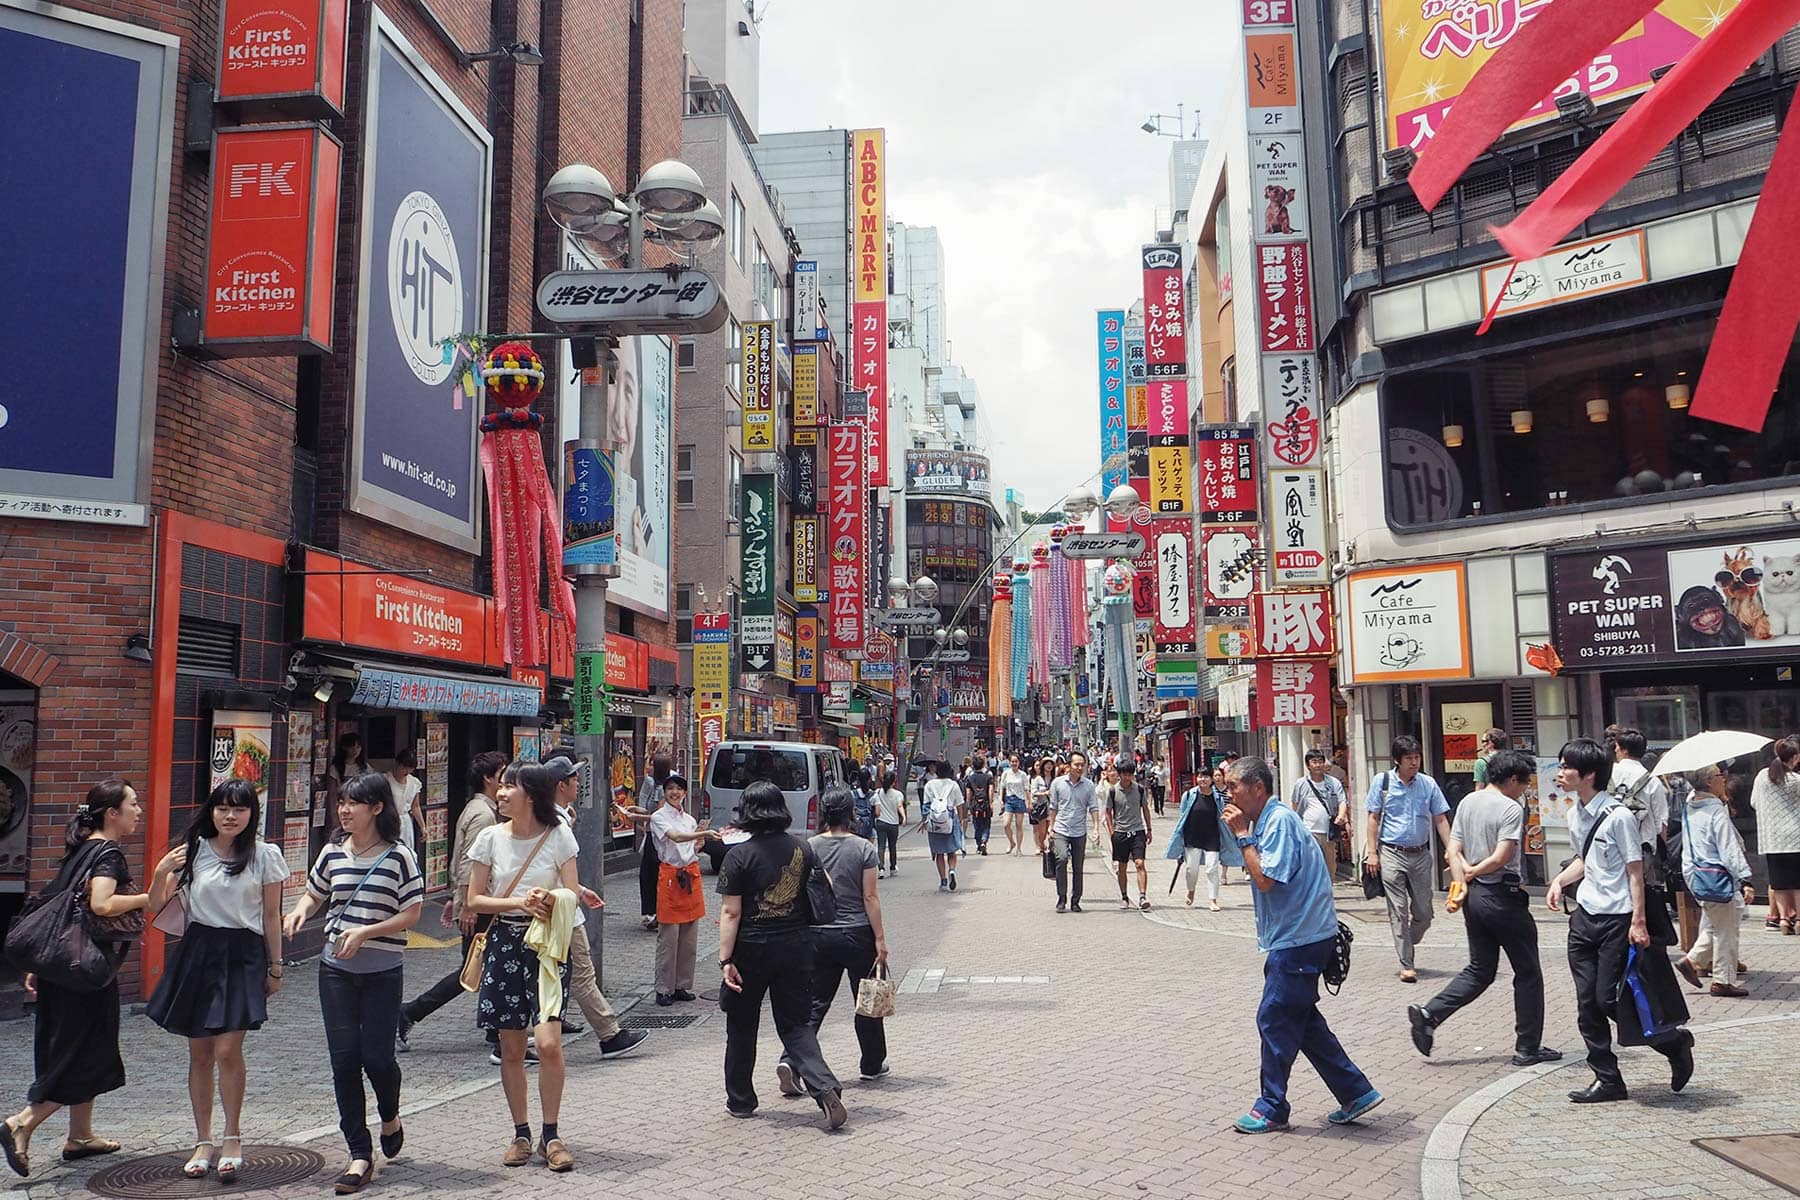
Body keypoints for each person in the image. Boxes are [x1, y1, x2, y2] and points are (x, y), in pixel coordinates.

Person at [3, 779, 180, 1178]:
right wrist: (149, 894)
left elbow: (56, 909)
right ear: (112, 813)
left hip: (62, 970)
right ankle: (22, 1122)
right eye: (133, 804)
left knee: (84, 1048)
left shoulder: (80, 849)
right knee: (83, 1053)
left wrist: (39, 963)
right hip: (85, 973)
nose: (139, 811)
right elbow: (101, 904)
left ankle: (80, 1137)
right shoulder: (108, 855)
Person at [1220, 758, 1383, 1134]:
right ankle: (1356, 1091)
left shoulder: (1277, 822)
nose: (1227, 793)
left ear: (1257, 788)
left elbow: (1265, 880)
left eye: (1233, 786)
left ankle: (1271, 1107)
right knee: (1303, 1020)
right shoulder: (1271, 820)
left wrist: (1243, 835)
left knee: (1274, 1018)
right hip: (1301, 934)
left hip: (1300, 938)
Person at [283, 773, 423, 1192]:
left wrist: (366, 932)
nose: (344, 810)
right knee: (344, 1062)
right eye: (342, 802)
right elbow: (315, 893)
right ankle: (359, 1153)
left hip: (382, 972)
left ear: (377, 807)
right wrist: (300, 911)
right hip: (336, 972)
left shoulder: (400, 856)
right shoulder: (331, 853)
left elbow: (412, 913)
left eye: (354, 803)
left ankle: (390, 1115)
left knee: (377, 1059)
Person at [146, 778, 289, 1181]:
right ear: (211, 811)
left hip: (243, 954)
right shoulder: (193, 853)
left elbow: (271, 916)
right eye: (223, 808)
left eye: (239, 809)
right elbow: (156, 905)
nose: (230, 816)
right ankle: (202, 1140)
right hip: (198, 952)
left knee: (228, 1049)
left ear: (251, 814)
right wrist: (160, 873)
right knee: (200, 1053)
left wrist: (275, 967)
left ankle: (233, 1136)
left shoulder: (265, 856)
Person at [1547, 737, 1695, 1104]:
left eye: (1566, 766)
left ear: (1589, 774)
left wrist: (1639, 921)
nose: (1560, 772)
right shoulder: (1574, 813)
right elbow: (1587, 859)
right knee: (1587, 1004)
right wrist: (1559, 881)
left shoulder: (1619, 817)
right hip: (1585, 919)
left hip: (1618, 919)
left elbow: (1634, 871)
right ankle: (1608, 1078)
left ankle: (1673, 1043)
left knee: (1610, 1000)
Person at [465, 762, 592, 1172]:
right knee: (512, 1048)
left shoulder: (559, 835)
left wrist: (551, 899)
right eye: (500, 787)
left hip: (548, 946)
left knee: (550, 1043)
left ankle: (551, 1134)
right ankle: (521, 1133)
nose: (501, 793)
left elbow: (571, 891)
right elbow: (475, 900)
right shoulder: (489, 838)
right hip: (504, 942)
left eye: (509, 787)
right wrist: (518, 903)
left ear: (532, 795)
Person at [1405, 751, 1561, 1067]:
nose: (1525, 790)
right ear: (1513, 779)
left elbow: (1453, 849)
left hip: (1475, 899)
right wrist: (1476, 870)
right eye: (1524, 783)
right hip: (1503, 896)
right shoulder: (1510, 807)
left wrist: (1464, 877)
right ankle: (1527, 1046)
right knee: (1528, 972)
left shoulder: (1469, 801)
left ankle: (1430, 1014)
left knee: (1480, 969)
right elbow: (1503, 856)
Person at [716, 781, 847, 1129]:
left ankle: (741, 1101)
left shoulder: (738, 856)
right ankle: (825, 1088)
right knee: (796, 1025)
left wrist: (725, 961)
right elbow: (826, 889)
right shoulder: (803, 849)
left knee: (742, 1026)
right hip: (796, 946)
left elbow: (730, 913)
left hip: (750, 950)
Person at [540, 750, 649, 1060]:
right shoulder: (555, 822)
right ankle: (609, 1035)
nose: (578, 782)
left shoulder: (550, 817)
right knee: (580, 976)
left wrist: (582, 889)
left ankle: (518, 1036)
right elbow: (557, 868)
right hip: (562, 914)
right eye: (574, 778)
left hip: (556, 908)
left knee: (549, 975)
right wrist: (577, 891)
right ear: (561, 785)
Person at [779, 787, 890, 1090]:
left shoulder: (809, 847)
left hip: (817, 935)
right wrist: (880, 939)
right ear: (851, 812)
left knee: (814, 1003)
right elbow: (870, 896)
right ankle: (871, 1063)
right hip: (856, 934)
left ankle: (791, 1059)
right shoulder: (863, 848)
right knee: (865, 1000)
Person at [399, 751, 505, 1051]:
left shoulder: (476, 808)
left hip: (474, 899)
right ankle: (410, 1012)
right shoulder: (484, 814)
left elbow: (459, 858)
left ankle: (496, 1028)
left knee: (483, 966)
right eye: (502, 773)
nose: (507, 780)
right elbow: (472, 862)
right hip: (480, 903)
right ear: (488, 778)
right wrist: (467, 903)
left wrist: (455, 897)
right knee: (471, 969)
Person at [1364, 736, 1452, 983]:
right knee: (1399, 911)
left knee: (1424, 913)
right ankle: (1407, 963)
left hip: (1421, 854)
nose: (1414, 762)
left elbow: (1441, 818)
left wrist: (1451, 850)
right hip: (1391, 852)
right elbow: (1373, 819)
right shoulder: (1382, 783)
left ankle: (1406, 942)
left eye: (1417, 757)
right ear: (1397, 760)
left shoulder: (1428, 784)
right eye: (1409, 759)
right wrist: (1373, 853)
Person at [1674, 764, 1757, 998]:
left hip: (1696, 873)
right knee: (1726, 929)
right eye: (1721, 776)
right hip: (1717, 875)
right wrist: (1745, 878)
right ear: (1710, 781)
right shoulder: (1715, 810)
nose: (1725, 779)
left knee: (1716, 923)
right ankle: (1720, 979)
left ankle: (1693, 961)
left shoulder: (1690, 804)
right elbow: (1728, 848)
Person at [651, 773, 719, 1006]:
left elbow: (690, 845)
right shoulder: (659, 817)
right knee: (668, 938)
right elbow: (676, 838)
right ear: (665, 792)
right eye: (670, 788)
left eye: (679, 789)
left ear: (685, 792)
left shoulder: (690, 819)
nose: (675, 792)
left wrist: (699, 843)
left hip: (690, 875)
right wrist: (703, 834)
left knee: (689, 938)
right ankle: (663, 988)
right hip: (670, 877)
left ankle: (681, 984)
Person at [1608, 727, 1674, 943]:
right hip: (1642, 846)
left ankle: (1615, 933)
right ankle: (1637, 930)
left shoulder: (1607, 775)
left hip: (1608, 843)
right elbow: (1661, 824)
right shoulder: (1653, 782)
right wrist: (1662, 853)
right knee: (1640, 890)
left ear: (1621, 748)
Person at [1750, 736, 1800, 935]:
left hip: (1771, 838)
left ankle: (1783, 920)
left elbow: (1754, 802)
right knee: (1797, 882)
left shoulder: (1762, 776)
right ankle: (1798, 921)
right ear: (1795, 757)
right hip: (1795, 837)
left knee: (1779, 882)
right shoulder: (1796, 780)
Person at [1049, 751, 1101, 913]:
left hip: (1079, 831)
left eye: (1082, 765)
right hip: (1060, 829)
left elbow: (1093, 807)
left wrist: (1096, 828)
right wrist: (1051, 828)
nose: (1079, 768)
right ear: (1068, 766)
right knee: (1062, 859)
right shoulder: (1057, 783)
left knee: (1078, 867)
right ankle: (1061, 897)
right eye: (1076, 764)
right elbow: (1053, 807)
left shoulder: (1089, 785)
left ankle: (1075, 900)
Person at [1167, 770, 1223, 911]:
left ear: (1211, 780)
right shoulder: (1189, 795)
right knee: (1192, 869)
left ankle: (1213, 900)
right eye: (1200, 776)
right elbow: (1182, 818)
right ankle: (1191, 890)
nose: (1203, 779)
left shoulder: (1217, 797)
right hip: (1193, 836)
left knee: (1212, 869)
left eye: (1206, 776)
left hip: (1212, 836)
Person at [1289, 750, 1347, 882]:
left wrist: (1341, 815)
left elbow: (1342, 801)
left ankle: (1327, 891)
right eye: (1314, 762)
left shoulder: (1333, 783)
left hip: (1328, 832)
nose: (1318, 765)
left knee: (1330, 865)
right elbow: (1295, 805)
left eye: (1320, 761)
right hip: (1308, 831)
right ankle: (1314, 893)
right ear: (1308, 765)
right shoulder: (1301, 784)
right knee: (1312, 864)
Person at [1106, 757, 1154, 911]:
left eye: (1130, 774)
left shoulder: (1139, 789)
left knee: (1140, 863)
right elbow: (1108, 812)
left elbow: (1145, 809)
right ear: (1119, 774)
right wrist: (1112, 832)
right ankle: (1124, 896)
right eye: (1124, 774)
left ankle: (1142, 896)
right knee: (1122, 866)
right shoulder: (1113, 791)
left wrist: (1149, 829)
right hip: (1120, 832)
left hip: (1138, 831)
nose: (1127, 777)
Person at [636, 755, 671, 932]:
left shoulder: (664, 784)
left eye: (651, 764)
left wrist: (638, 817)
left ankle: (658, 913)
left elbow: (657, 813)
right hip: (655, 833)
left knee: (653, 874)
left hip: (659, 835)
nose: (648, 766)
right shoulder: (652, 782)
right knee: (650, 874)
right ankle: (654, 913)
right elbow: (646, 804)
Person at [919, 761, 965, 892]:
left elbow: (926, 805)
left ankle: (943, 880)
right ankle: (951, 870)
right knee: (951, 851)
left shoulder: (930, 785)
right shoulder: (953, 785)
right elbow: (960, 804)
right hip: (949, 818)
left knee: (939, 853)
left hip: (934, 821)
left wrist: (924, 821)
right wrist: (961, 820)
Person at [387, 749, 424, 859]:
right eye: (404, 767)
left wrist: (423, 826)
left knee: (406, 852)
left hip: (405, 822)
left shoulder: (414, 782)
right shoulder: (386, 780)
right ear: (397, 763)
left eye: (410, 768)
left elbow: (415, 806)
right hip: (389, 819)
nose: (406, 771)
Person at [872, 769, 905, 876]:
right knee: (892, 846)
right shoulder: (898, 794)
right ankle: (892, 867)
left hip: (881, 822)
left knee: (881, 846)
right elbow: (899, 806)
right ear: (893, 782)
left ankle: (881, 868)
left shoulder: (877, 792)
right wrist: (903, 817)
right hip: (893, 823)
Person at [999, 753, 1031, 855]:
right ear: (1009, 762)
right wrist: (1001, 800)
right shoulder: (1006, 773)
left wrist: (1028, 802)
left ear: (1019, 762)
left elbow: (1027, 789)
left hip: (1020, 800)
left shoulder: (1023, 775)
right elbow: (1002, 787)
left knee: (1019, 825)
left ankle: (1019, 848)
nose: (1014, 763)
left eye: (1016, 761)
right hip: (1009, 799)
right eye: (1012, 761)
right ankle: (1012, 842)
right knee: (1006, 824)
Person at [962, 755, 995, 855]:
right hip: (985, 803)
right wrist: (991, 802)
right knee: (986, 825)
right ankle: (984, 841)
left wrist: (968, 805)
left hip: (975, 804)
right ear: (983, 765)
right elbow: (990, 790)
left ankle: (979, 844)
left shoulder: (970, 778)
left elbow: (968, 793)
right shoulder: (988, 776)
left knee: (977, 825)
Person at [1028, 758, 1055, 854]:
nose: (1049, 766)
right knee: (1042, 830)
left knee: (1051, 828)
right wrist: (1045, 793)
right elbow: (1034, 793)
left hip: (1053, 807)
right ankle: (1041, 845)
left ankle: (1049, 846)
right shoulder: (1037, 779)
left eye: (1051, 764)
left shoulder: (1055, 779)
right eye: (1047, 764)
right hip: (1042, 806)